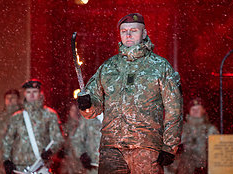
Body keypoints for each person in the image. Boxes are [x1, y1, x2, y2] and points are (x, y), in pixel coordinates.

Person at [77, 13, 183, 174]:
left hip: (146, 148)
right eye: (124, 31)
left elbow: (174, 109)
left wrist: (169, 146)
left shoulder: (160, 67)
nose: (128, 35)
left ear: (144, 33)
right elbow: (93, 109)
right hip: (111, 148)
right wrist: (87, 105)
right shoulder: (108, 68)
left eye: (133, 30)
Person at [2, 79, 64, 173]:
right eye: (28, 92)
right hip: (20, 165)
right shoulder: (17, 117)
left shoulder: (50, 115)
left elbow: (58, 138)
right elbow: (7, 140)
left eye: (35, 92)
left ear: (40, 93)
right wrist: (6, 160)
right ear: (25, 94)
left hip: (41, 165)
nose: (31, 95)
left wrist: (50, 151)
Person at [174, 98, 219, 174]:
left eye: (198, 109)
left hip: (205, 167)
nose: (195, 111)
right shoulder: (181, 129)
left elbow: (218, 150)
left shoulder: (211, 130)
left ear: (204, 110)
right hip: (184, 168)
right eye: (193, 109)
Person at [60, 101, 101, 174]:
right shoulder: (88, 119)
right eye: (72, 110)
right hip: (92, 166)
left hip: (111, 164)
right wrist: (82, 155)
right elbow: (76, 141)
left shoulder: (115, 119)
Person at [0, 89, 21, 174]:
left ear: (18, 99)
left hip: (19, 155)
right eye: (7, 98)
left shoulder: (22, 116)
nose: (10, 100)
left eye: (13, 98)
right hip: (1, 155)